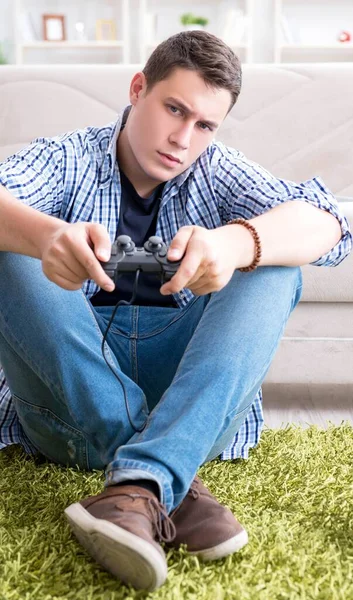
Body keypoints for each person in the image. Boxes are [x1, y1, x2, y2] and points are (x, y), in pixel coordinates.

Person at [0, 30, 351, 591]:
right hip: (67, 406)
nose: (183, 139)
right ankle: (163, 477)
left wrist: (236, 245)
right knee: (8, 255)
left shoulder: (216, 170)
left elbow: (331, 220)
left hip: (188, 404)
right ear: (139, 88)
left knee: (276, 263)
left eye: (205, 125)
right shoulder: (70, 157)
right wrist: (46, 238)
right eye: (174, 109)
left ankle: (138, 479)